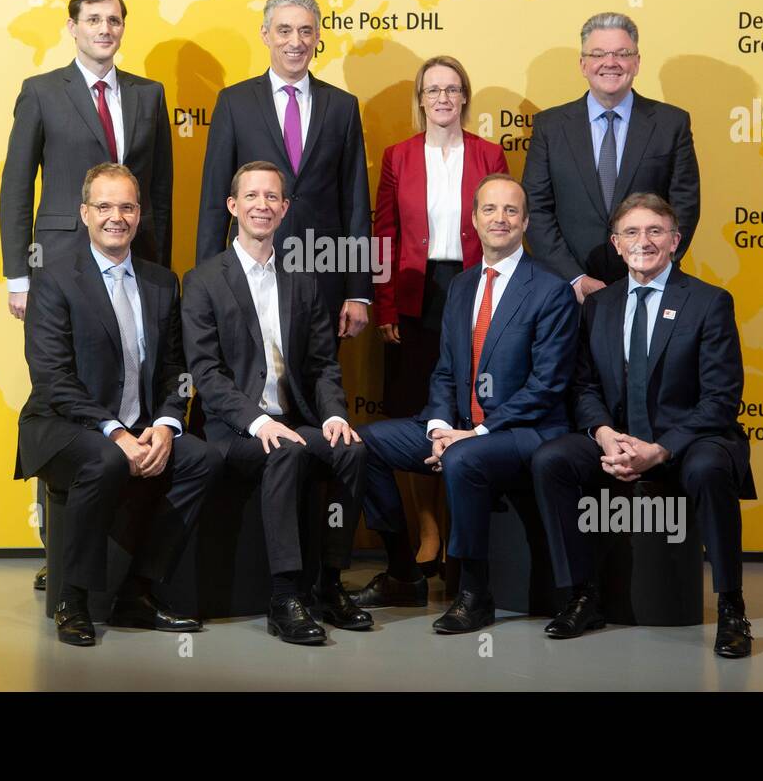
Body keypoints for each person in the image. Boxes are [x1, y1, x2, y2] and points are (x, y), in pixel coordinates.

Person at [0, 0, 174, 590]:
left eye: (115, 20)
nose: (105, 29)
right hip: (60, 271)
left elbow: (160, 195)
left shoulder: (149, 96)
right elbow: (17, 186)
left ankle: (123, 555)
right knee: (67, 403)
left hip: (132, 269)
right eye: (94, 20)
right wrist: (19, 275)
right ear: (72, 27)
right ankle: (63, 550)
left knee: (133, 394)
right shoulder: (42, 92)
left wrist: (165, 279)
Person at [530, 192, 755, 658]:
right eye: (631, 232)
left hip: (688, 441)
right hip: (616, 438)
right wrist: (603, 434)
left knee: (711, 468)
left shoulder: (709, 302)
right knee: (551, 460)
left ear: (675, 240)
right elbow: (583, 386)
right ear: (616, 244)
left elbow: (720, 400)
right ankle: (582, 595)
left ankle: (732, 607)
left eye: (655, 231)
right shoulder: (599, 305)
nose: (643, 241)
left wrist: (660, 449)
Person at [353, 174, 579, 634]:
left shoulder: (551, 290)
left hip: (525, 430)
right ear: (473, 219)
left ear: (526, 222)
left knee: (463, 459)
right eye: (490, 210)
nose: (500, 219)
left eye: (511, 211)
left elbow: (547, 386)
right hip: (455, 425)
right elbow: (444, 371)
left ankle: (474, 594)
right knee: (367, 443)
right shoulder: (460, 287)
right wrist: (439, 425)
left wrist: (473, 434)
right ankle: (402, 572)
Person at [15, 163, 221, 646]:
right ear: (85, 212)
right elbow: (52, 379)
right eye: (104, 206)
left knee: (203, 459)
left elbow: (178, 370)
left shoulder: (161, 282)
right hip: (61, 424)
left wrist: (169, 424)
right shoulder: (55, 278)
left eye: (127, 206)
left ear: (139, 214)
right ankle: (74, 599)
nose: (116, 217)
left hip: (142, 425)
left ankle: (138, 590)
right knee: (107, 460)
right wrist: (116, 432)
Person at [183, 161, 370, 645]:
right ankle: (284, 596)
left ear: (285, 209)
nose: (261, 205)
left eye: (272, 197)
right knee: (284, 450)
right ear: (233, 206)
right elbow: (206, 373)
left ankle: (329, 583)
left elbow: (324, 364)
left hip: (296, 417)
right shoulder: (203, 280)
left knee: (350, 448)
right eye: (251, 196)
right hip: (235, 430)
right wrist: (257, 423)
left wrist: (333, 415)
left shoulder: (302, 280)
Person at [373, 55, 507, 574]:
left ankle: (461, 535)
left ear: (465, 97)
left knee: (466, 410)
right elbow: (383, 233)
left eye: (453, 89)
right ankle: (428, 534)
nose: (444, 98)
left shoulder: (489, 154)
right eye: (434, 90)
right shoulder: (398, 156)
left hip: (476, 287)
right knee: (416, 412)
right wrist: (384, 301)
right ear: (420, 99)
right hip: (414, 293)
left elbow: (504, 227)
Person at [195, 0, 371, 339]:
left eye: (306, 31)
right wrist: (205, 285)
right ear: (266, 34)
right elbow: (215, 200)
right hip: (248, 274)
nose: (296, 41)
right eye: (284, 30)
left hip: (324, 274)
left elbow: (355, 203)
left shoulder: (342, 107)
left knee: (315, 385)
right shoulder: (234, 102)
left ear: (318, 37)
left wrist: (358, 290)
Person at [523, 12, 699, 303]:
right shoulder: (550, 127)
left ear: (637, 62)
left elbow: (684, 208)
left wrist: (650, 270)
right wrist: (574, 278)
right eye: (599, 53)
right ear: (583, 64)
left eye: (622, 53)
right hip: (568, 294)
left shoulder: (671, 124)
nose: (610, 62)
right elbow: (537, 210)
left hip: (648, 289)